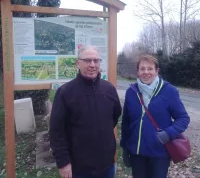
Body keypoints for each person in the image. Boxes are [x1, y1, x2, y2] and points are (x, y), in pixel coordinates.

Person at [50, 45, 122, 178]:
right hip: (78, 168)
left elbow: (114, 117)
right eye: (87, 60)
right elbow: (56, 131)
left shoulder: (109, 89)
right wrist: (63, 163)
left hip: (107, 165)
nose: (92, 65)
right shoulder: (65, 92)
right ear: (78, 63)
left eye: (96, 60)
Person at [120, 54, 190, 178]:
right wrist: (125, 146)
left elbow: (183, 118)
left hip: (159, 153)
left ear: (157, 71)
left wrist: (169, 133)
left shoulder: (169, 91)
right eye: (142, 69)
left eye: (150, 69)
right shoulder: (131, 92)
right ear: (137, 71)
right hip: (137, 153)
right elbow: (126, 121)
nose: (146, 72)